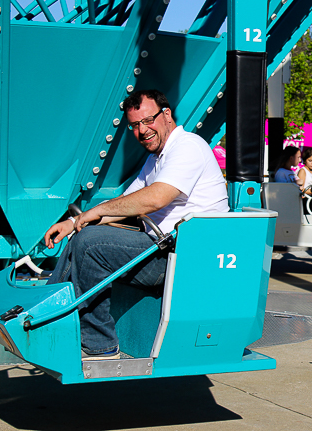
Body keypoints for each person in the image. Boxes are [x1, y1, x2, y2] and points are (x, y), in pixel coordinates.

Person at [44, 89, 229, 360]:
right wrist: (74, 222)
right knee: (83, 236)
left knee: (89, 243)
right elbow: (126, 203)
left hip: (187, 258)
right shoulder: (157, 158)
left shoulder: (188, 146)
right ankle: (48, 313)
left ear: (166, 115)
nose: (142, 130)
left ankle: (98, 345)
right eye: (135, 125)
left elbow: (155, 198)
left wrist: (92, 215)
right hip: (165, 249)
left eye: (148, 120)